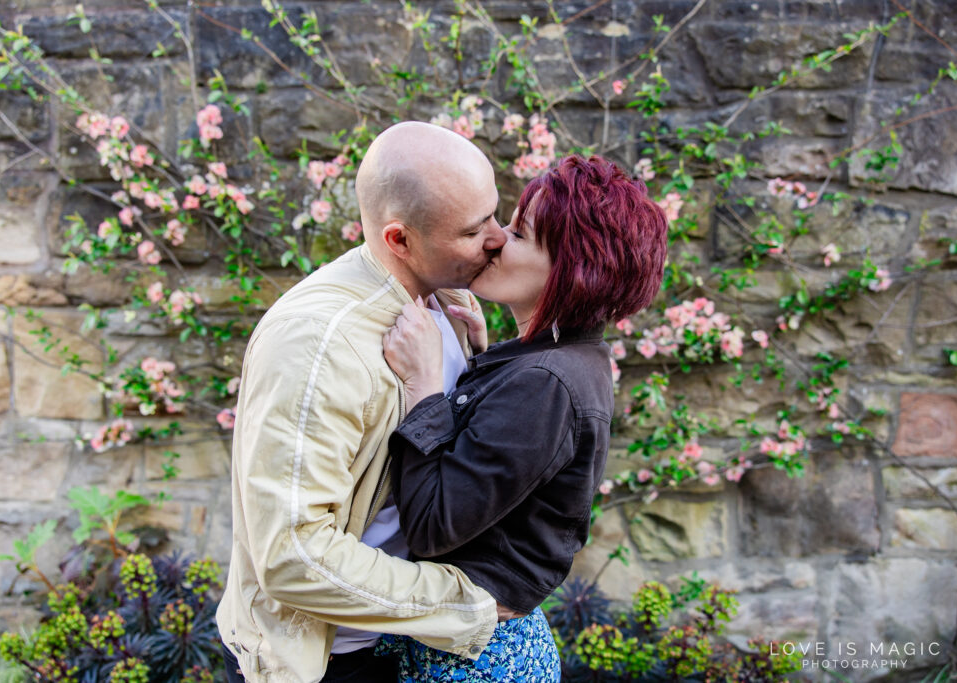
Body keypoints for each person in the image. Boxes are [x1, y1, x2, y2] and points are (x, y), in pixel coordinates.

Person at [216, 121, 519, 683]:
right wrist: (461, 605)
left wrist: (479, 360)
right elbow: (294, 554)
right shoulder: (316, 343)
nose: (498, 238)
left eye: (496, 216)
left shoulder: (442, 296)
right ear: (399, 239)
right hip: (329, 663)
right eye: (474, 230)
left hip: (396, 646)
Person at [378, 154, 669, 680]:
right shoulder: (560, 360)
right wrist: (480, 361)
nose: (494, 240)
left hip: (473, 660)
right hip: (475, 641)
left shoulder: (547, 382)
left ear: (572, 271)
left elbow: (431, 524)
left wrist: (424, 387)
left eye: (518, 233)